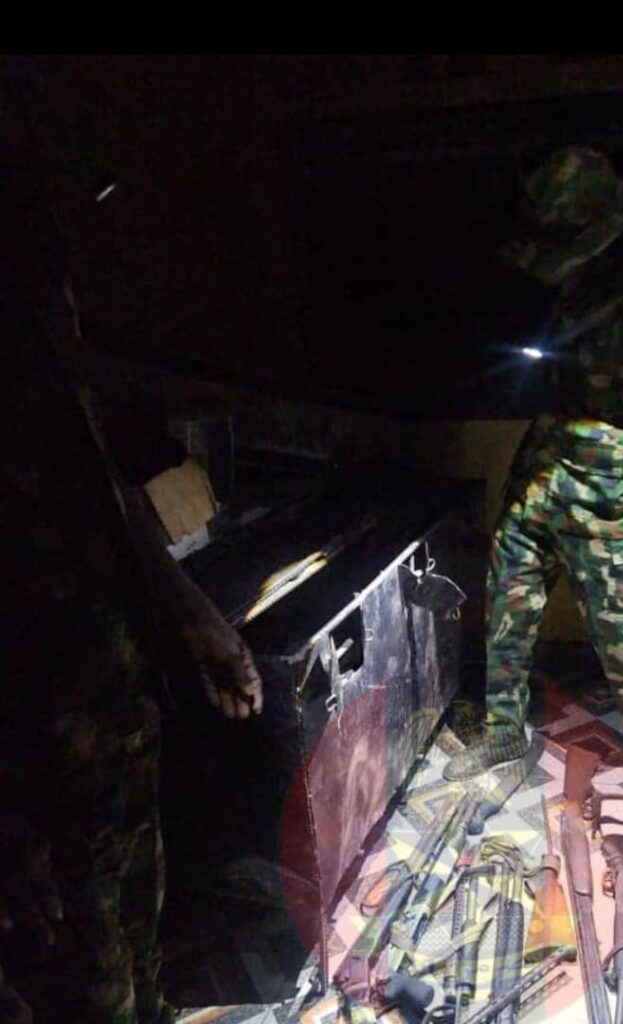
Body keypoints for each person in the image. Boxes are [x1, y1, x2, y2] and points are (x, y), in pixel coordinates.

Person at [0, 68, 263, 1023]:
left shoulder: (32, 297)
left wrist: (188, 612)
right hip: (23, 749)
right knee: (72, 974)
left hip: (100, 698)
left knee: (133, 935)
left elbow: (94, 476)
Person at [444, 146, 623, 807]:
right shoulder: (579, 288)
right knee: (506, 618)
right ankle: (504, 734)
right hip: (538, 483)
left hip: (607, 504)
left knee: (620, 638)